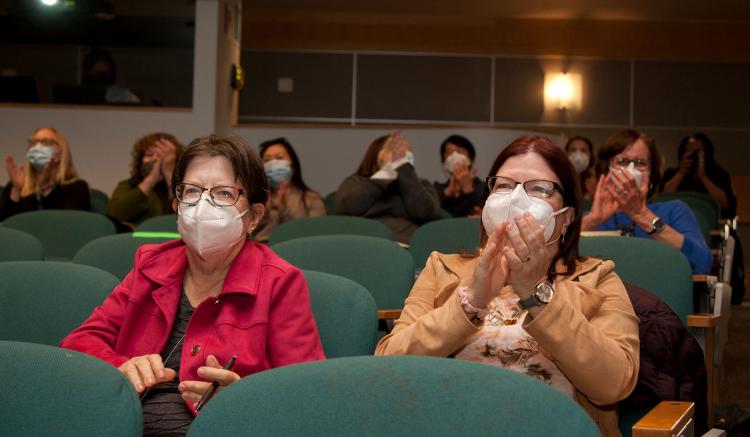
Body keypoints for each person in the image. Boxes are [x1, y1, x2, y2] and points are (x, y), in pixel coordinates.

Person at [61, 135, 325, 436]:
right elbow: (77, 344)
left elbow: (307, 396)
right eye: (193, 191)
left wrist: (242, 400)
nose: (203, 204)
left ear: (253, 216)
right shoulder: (151, 266)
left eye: (224, 193)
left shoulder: (280, 282)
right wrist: (120, 365)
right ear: (177, 205)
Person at [376, 135, 639, 436]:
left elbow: (613, 384)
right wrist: (471, 302)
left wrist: (537, 295)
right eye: (503, 185)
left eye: (539, 189)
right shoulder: (442, 268)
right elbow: (388, 368)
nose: (516, 199)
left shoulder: (598, 278)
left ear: (566, 218)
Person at [581, 129, 713, 274]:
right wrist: (592, 221)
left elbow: (703, 263)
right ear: (607, 170)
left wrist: (642, 215)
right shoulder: (590, 218)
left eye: (640, 162)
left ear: (651, 172)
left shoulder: (675, 210)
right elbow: (556, 259)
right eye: (622, 162)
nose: (631, 170)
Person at [335, 132, 440, 243]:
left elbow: (427, 213)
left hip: (407, 245)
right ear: (375, 154)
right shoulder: (356, 182)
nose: (399, 153)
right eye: (391, 147)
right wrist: (387, 172)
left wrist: (404, 170)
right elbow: (346, 208)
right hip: (365, 244)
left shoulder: (420, 184)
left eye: (404, 150)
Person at [1, 127, 90, 220]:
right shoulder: (15, 185)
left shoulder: (77, 187)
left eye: (46, 142)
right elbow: (6, 226)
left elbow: (70, 225)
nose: (37, 147)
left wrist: (43, 190)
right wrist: (16, 190)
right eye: (33, 142)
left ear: (61, 152)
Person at [253, 138, 326, 243]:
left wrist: (284, 211)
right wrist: (264, 211)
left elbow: (316, 238)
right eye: (267, 160)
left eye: (279, 158)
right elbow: (248, 235)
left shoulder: (312, 199)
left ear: (293, 165)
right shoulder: (257, 199)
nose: (273, 164)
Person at [107, 132, 182, 227]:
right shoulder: (128, 185)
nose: (155, 159)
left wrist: (169, 174)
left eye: (162, 156)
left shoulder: (183, 186)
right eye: (149, 154)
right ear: (140, 160)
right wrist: (151, 180)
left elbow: (185, 212)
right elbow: (114, 215)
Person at [661, 133, 737, 219]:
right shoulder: (671, 174)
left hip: (710, 224)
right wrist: (681, 173)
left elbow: (726, 204)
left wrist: (703, 177)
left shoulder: (719, 175)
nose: (693, 156)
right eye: (689, 151)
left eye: (697, 152)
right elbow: (663, 199)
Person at [433, 134, 487, 217]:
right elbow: (429, 211)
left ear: (471, 158)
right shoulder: (436, 189)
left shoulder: (485, 188)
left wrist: (468, 190)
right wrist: (448, 192)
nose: (455, 155)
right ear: (443, 162)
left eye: (460, 150)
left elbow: (479, 213)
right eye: (449, 152)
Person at [565, 136, 597, 202]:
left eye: (583, 150)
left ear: (590, 155)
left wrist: (594, 195)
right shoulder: (558, 178)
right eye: (573, 150)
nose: (578, 155)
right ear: (566, 154)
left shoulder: (596, 181)